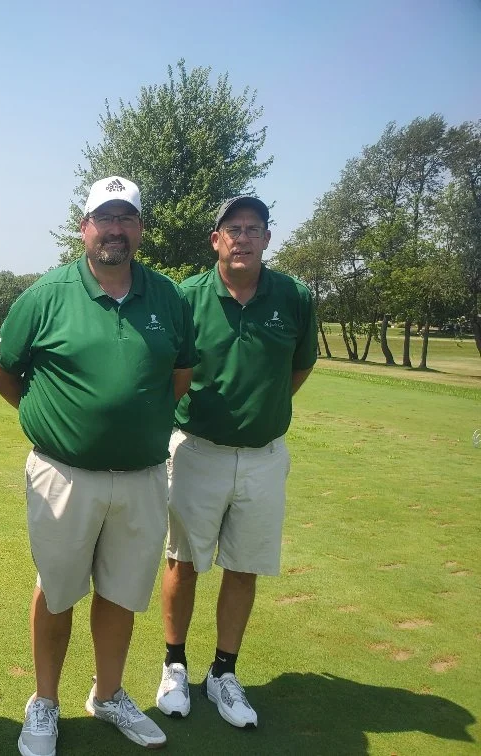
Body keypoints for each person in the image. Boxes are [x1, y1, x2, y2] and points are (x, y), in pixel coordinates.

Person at [0, 177, 197, 755]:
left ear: (140, 230)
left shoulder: (168, 296)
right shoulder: (47, 293)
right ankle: (45, 702)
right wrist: (50, 419)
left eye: (126, 218)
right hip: (64, 475)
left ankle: (108, 695)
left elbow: (181, 374)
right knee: (56, 592)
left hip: (143, 477)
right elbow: (2, 372)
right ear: (84, 228)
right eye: (103, 218)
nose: (115, 229)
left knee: (122, 592)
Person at [155, 196, 317, 729]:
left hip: (265, 457)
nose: (242, 237)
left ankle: (223, 673)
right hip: (197, 450)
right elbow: (168, 371)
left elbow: (297, 369)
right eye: (232, 229)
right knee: (183, 562)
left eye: (253, 229)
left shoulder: (293, 296)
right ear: (216, 240)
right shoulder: (186, 298)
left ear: (268, 238)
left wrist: (258, 415)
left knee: (244, 565)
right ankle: (174, 664)